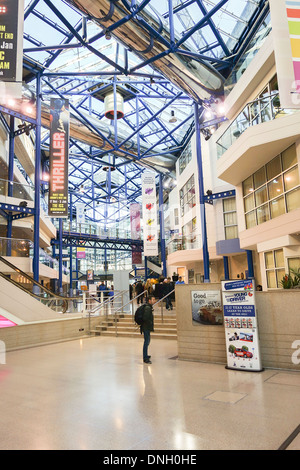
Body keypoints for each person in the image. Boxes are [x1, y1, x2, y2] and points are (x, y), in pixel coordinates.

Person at [141, 295, 156, 364]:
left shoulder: (149, 307)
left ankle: (146, 355)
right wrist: (149, 323)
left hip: (146, 327)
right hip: (146, 327)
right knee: (146, 342)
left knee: (147, 341)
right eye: (153, 299)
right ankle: (145, 358)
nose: (154, 301)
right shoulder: (148, 308)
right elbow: (145, 318)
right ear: (149, 300)